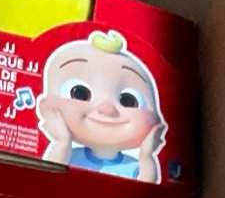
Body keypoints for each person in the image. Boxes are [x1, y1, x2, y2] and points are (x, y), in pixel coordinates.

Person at [37, 31, 165, 183]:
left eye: (128, 100)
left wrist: (146, 156)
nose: (107, 109)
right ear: (47, 108)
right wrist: (62, 142)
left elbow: (146, 188)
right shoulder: (69, 155)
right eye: (80, 94)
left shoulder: (134, 166)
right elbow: (49, 178)